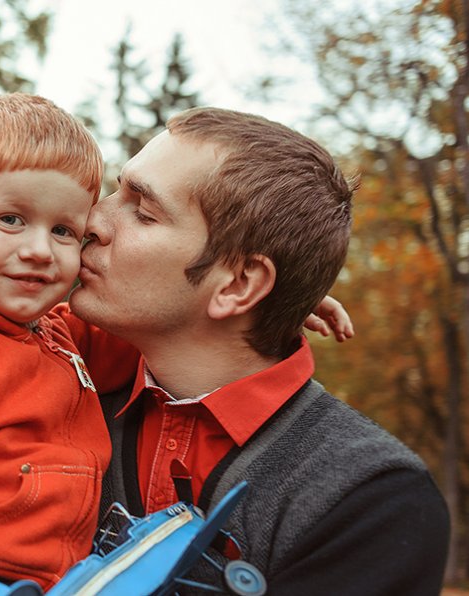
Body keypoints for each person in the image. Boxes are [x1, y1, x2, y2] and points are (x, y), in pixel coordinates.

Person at [0, 95, 353, 596]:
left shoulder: (63, 340)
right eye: (10, 220)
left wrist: (277, 301)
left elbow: (188, 331)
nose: (39, 250)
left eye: (63, 230)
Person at [70, 107, 450, 594]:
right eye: (115, 190)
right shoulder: (51, 384)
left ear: (240, 283)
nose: (92, 219)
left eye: (143, 212)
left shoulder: (374, 502)